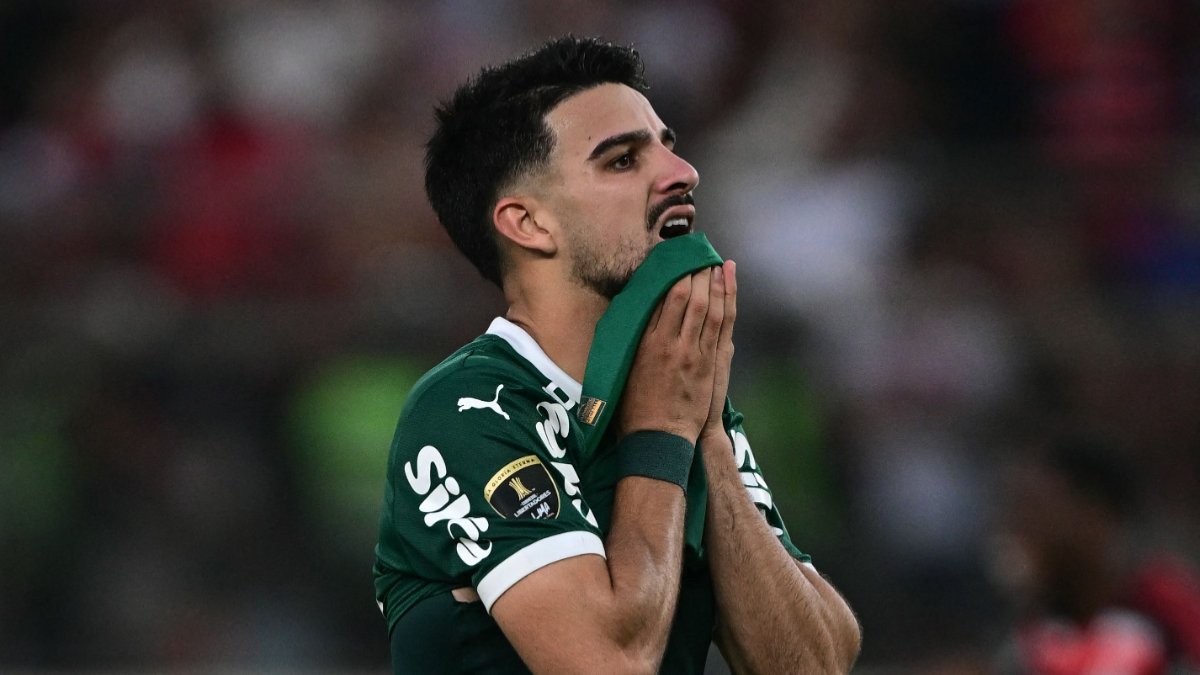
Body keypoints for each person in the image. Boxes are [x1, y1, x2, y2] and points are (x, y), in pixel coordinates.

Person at [373, 35, 861, 674]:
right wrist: (662, 432)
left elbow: (815, 666)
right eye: (623, 161)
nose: (681, 173)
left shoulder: (682, 395)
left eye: (668, 144)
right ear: (529, 224)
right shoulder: (469, 411)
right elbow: (608, 665)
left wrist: (706, 436)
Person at [991, 435, 1200, 674]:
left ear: (1094, 516)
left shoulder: (1166, 610)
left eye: (1035, 509)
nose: (1016, 528)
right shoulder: (1032, 635)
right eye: (1014, 511)